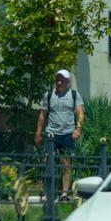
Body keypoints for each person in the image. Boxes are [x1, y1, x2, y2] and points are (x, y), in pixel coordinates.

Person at [35, 69, 84, 202]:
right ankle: (48, 192)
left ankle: (64, 194)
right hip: (51, 134)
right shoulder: (49, 95)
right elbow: (42, 115)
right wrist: (38, 133)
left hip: (67, 134)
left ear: (68, 81)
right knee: (47, 161)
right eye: (58, 79)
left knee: (66, 163)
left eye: (62, 79)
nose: (59, 81)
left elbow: (80, 113)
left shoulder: (74, 95)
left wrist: (77, 129)